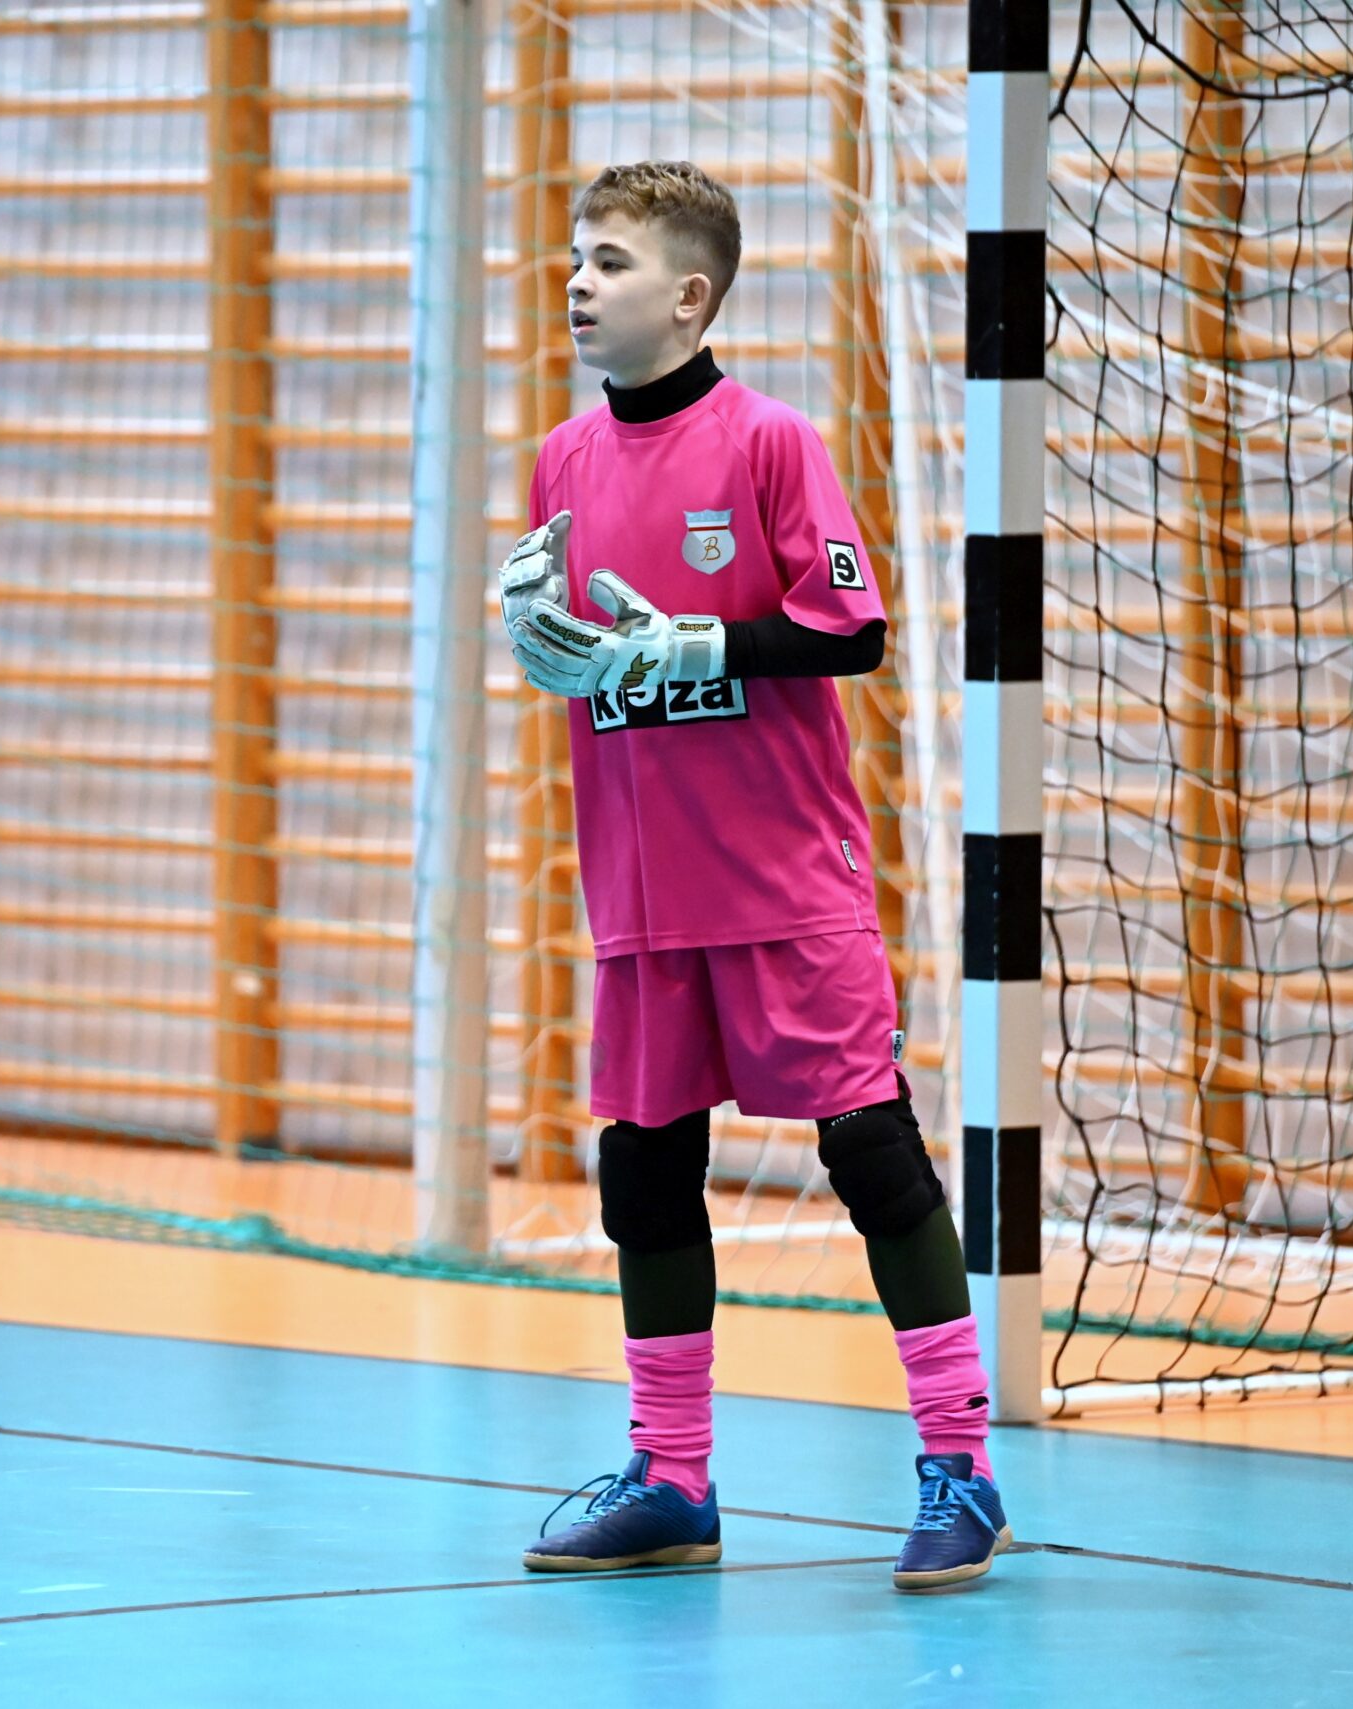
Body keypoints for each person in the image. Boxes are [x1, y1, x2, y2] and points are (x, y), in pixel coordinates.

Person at [502, 160, 1009, 1593]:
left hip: (785, 882)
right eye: (575, 258)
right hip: (643, 896)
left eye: (608, 262)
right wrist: (544, 645)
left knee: (872, 1154)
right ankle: (672, 1477)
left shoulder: (771, 443)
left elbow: (850, 628)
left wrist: (702, 645)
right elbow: (584, 652)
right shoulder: (559, 462)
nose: (577, 283)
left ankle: (962, 1467)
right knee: (644, 1171)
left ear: (690, 295)